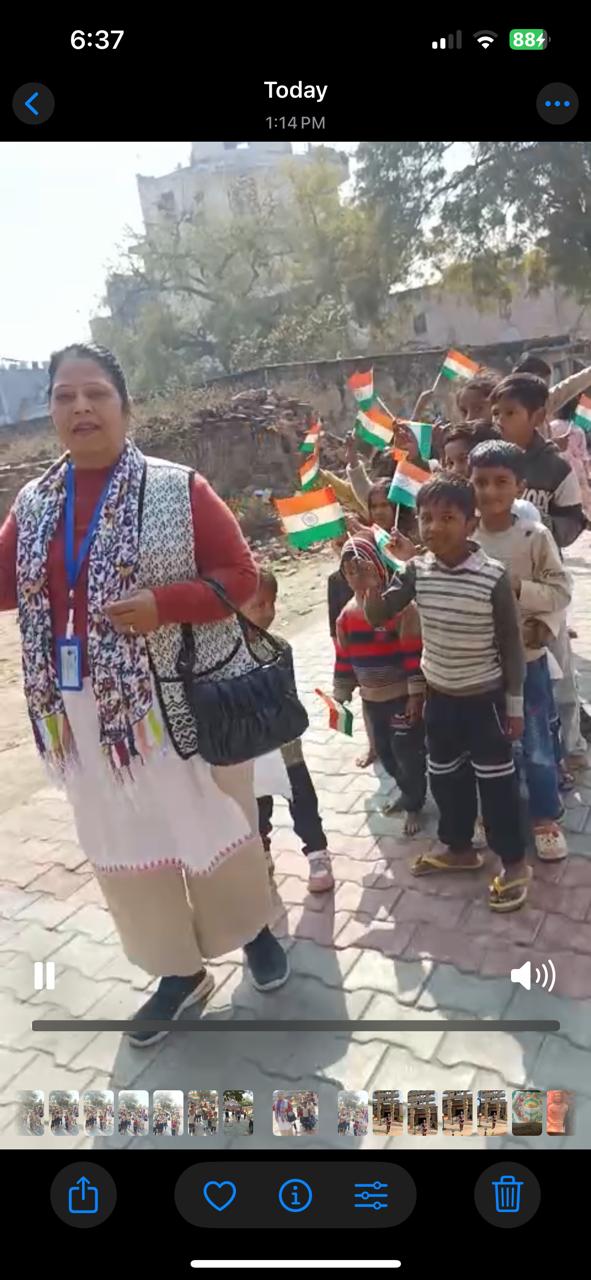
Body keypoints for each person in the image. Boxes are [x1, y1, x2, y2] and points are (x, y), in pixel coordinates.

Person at [0, 342, 289, 1049]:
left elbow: (239, 576)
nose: (80, 407)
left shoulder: (175, 487)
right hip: (81, 716)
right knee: (123, 839)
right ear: (51, 413)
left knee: (211, 822)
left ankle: (251, 929)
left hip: (176, 700)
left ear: (125, 408)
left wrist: (165, 605)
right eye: (64, 396)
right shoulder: (34, 505)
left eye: (95, 393)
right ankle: (177, 972)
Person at [362, 475, 530, 911]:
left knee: (497, 785)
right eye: (426, 518)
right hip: (440, 700)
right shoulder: (416, 572)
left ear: (471, 524)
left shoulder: (493, 577)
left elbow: (512, 647)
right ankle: (459, 848)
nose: (434, 527)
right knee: (445, 777)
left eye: (448, 518)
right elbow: (379, 614)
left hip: (485, 702)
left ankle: (514, 862)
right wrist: (370, 580)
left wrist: (514, 706)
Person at [470, 439, 571, 860]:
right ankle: (490, 811)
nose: (490, 491)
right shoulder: (464, 536)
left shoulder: (534, 536)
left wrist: (518, 588)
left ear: (520, 486)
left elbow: (560, 590)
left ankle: (545, 816)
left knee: (536, 742)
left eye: (501, 482)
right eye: (481, 482)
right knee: (485, 742)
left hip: (527, 662)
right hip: (479, 665)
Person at [491, 372, 588, 763]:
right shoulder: (491, 463)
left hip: (546, 585)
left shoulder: (556, 469)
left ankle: (572, 746)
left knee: (560, 671)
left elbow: (573, 522)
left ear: (537, 416)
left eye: (510, 412)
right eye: (496, 413)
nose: (500, 420)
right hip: (502, 587)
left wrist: (536, 526)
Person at [243, 569, 335, 893]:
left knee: (303, 800)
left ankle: (318, 854)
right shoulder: (226, 655)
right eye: (258, 604)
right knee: (257, 805)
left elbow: (289, 696)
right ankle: (262, 851)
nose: (268, 611)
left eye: (272, 602)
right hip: (250, 750)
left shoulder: (280, 647)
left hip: (286, 746)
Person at [334, 535, 426, 835]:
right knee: (386, 753)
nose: (356, 577)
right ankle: (407, 792)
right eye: (349, 571)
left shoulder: (400, 609)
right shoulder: (345, 616)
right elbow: (344, 657)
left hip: (400, 696)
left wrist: (415, 695)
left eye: (362, 569)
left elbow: (413, 654)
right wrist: (341, 692)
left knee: (407, 752)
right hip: (371, 700)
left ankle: (414, 804)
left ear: (377, 566)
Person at [550, 418, 591, 518]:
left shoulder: (551, 426)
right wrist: (587, 475)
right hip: (577, 470)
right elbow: (584, 456)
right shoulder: (578, 430)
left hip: (558, 468)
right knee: (582, 502)